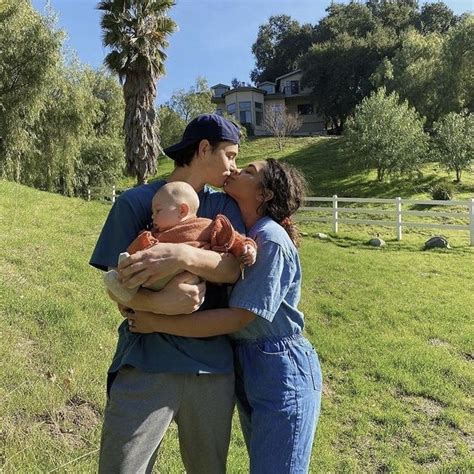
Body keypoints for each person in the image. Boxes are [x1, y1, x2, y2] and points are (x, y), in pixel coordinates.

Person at [126, 158, 323, 473]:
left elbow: (237, 318)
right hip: (252, 364)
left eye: (248, 171)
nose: (235, 170)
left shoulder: (269, 238)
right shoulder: (246, 235)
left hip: (279, 366)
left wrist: (157, 321)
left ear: (265, 195)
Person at [90, 114, 247, 473]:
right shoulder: (135, 203)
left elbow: (234, 268)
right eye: (231, 155)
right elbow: (117, 288)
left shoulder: (223, 208)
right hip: (144, 363)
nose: (234, 167)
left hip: (212, 371)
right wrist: (155, 308)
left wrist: (182, 255)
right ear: (204, 149)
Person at [104, 181, 257, 302]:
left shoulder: (206, 226)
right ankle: (124, 283)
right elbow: (141, 248)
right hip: (154, 279)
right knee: (140, 256)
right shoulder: (154, 235)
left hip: (188, 281)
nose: (152, 217)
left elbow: (233, 238)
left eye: (158, 211)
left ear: (182, 211)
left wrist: (247, 247)